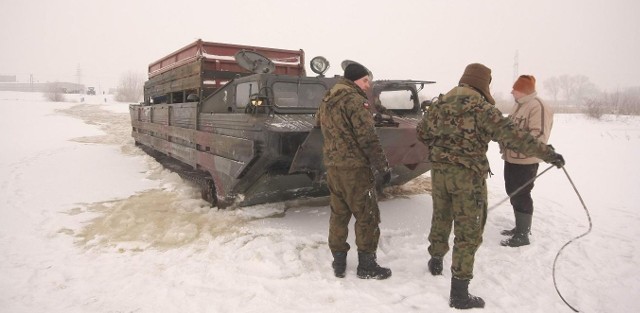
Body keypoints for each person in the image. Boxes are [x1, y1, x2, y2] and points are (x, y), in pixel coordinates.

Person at [416, 63, 565, 309]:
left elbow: (422, 132)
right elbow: (515, 137)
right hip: (467, 177)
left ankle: (435, 260)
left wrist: (442, 146)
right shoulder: (482, 108)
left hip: (440, 173)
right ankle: (459, 294)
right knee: (469, 230)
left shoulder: (440, 103)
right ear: (483, 83)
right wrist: (548, 154)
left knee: (441, 216)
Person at [316, 61, 392, 280]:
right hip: (355, 169)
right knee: (367, 215)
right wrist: (382, 165)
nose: (368, 85)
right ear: (354, 80)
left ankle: (338, 262)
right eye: (365, 80)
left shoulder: (328, 98)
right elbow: (367, 137)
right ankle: (366, 265)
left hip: (333, 167)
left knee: (339, 215)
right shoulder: (354, 99)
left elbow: (317, 122)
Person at [500, 75, 554, 247]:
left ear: (523, 91)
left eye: (514, 89)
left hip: (526, 161)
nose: (511, 91)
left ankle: (523, 235)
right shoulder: (519, 105)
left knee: (522, 194)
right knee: (513, 192)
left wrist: (512, 141)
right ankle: (519, 228)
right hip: (511, 159)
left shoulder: (538, 106)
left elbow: (538, 136)